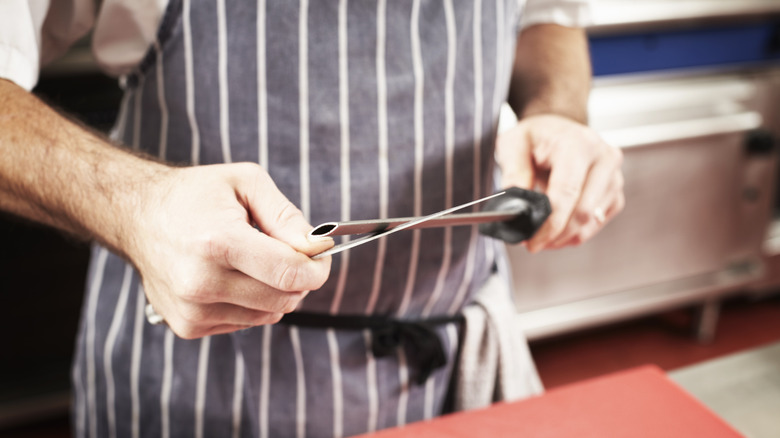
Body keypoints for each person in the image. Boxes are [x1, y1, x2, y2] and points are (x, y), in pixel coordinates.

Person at [0, 0, 624, 437]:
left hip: (455, 365)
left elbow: (549, 18)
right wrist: (135, 204)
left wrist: (558, 113)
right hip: (200, 385)